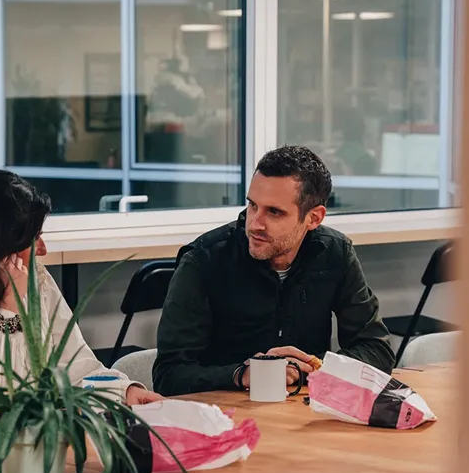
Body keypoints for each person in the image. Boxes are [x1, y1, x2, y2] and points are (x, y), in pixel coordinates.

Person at [0, 170, 161, 424]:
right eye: (33, 238)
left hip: (36, 442)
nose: (44, 250)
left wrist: (124, 393)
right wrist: (10, 312)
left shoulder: (35, 280)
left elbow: (74, 366)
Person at [153, 145, 395, 397]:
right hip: (224, 416)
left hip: (305, 416)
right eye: (252, 206)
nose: (255, 224)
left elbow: (376, 349)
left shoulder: (335, 253)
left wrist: (313, 368)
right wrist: (242, 374)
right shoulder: (203, 260)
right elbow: (168, 375)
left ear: (314, 218)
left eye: (274, 212)